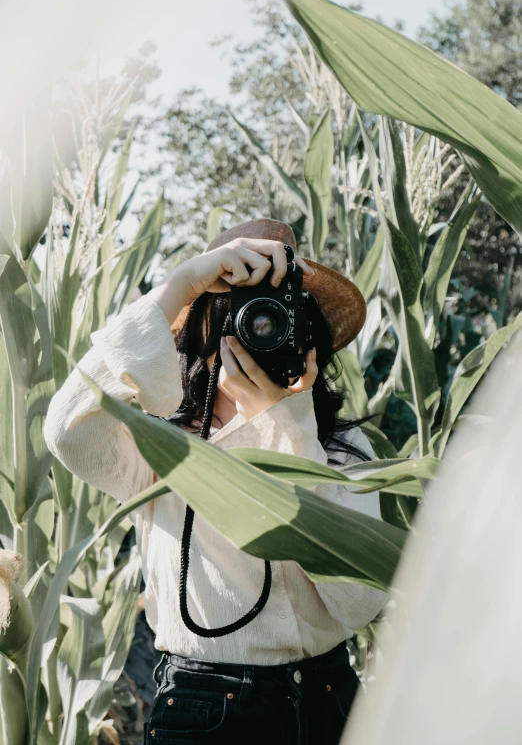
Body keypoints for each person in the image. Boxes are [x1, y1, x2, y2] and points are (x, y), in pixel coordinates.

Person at [44, 218, 388, 745]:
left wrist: (290, 430)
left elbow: (359, 603)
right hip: (201, 705)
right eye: (239, 314)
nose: (260, 330)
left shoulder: (339, 449)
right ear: (202, 331)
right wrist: (185, 283)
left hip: (327, 698)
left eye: (280, 316)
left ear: (309, 337)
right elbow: (66, 431)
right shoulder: (160, 447)